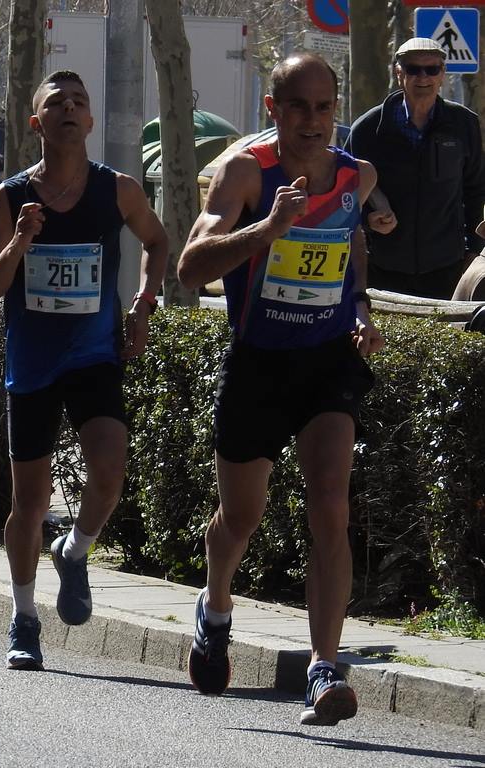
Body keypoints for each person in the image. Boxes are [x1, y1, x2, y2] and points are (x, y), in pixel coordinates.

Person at [177, 53, 385, 726]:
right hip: (259, 362)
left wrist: (360, 316)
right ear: (273, 108)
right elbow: (190, 267)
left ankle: (324, 668)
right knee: (240, 519)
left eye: (325, 107)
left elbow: (350, 257)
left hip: (325, 361)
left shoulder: (356, 175)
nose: (314, 121)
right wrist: (268, 227)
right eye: (299, 106)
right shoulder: (247, 171)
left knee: (331, 504)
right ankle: (215, 607)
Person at [0, 70, 167, 672]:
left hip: (92, 355)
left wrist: (142, 305)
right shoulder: (11, 196)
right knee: (28, 502)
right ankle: (24, 619)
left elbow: (159, 243)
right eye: (55, 103)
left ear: (89, 123)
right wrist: (17, 246)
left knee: (110, 468)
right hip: (32, 362)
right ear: (37, 124)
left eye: (79, 102)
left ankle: (75, 549)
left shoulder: (118, 190)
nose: (69, 109)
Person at [345, 37, 485, 299]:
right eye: (413, 69)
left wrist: (473, 250)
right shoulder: (367, 129)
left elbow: (476, 189)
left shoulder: (464, 124)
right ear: (399, 74)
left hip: (447, 269)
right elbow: (345, 195)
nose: (423, 77)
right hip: (382, 270)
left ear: (442, 74)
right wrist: (368, 221)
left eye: (432, 69)